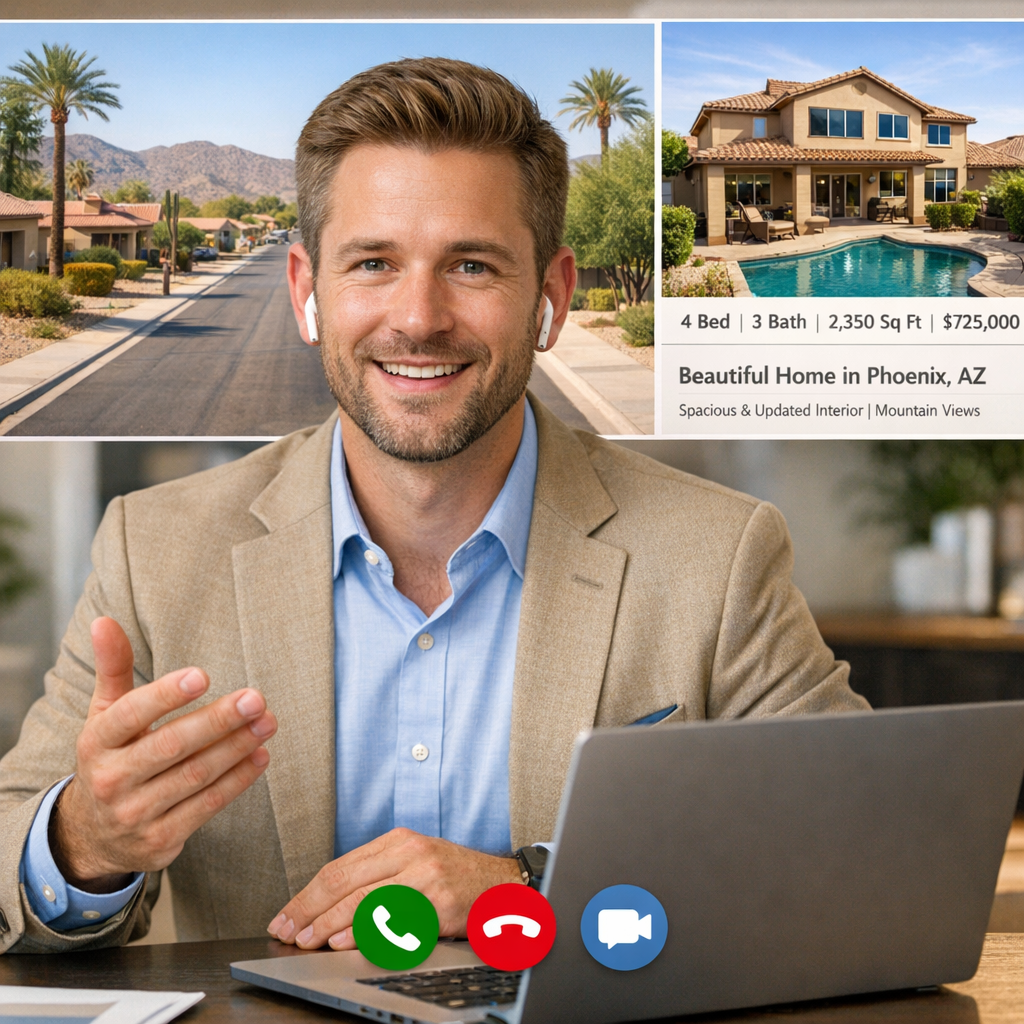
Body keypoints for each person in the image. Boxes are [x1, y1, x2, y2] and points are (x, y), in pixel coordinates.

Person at [0, 58, 868, 956]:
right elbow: (8, 853)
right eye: (373, 262)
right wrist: (84, 843)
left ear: (553, 297)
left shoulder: (716, 554)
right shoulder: (156, 550)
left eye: (473, 265)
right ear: (306, 291)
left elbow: (860, 845)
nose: (419, 317)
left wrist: (534, 885)